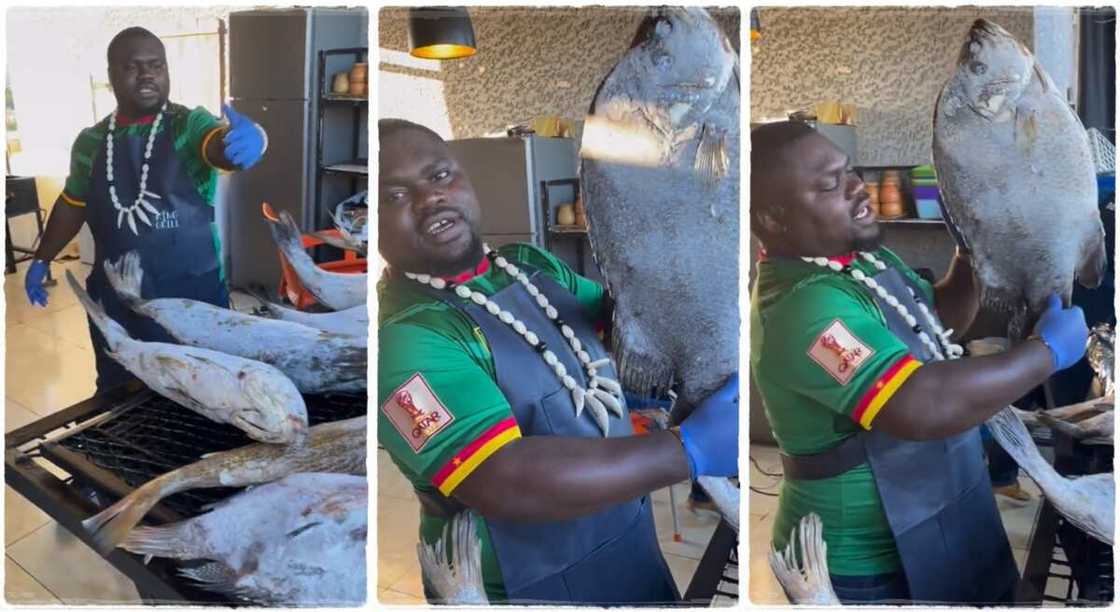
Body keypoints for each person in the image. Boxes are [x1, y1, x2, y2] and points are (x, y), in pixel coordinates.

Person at [377, 118, 739, 605]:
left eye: (440, 176)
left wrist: (670, 248)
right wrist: (686, 450)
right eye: (394, 195)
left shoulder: (529, 267)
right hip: (523, 582)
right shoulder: (409, 339)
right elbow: (500, 479)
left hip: (623, 540)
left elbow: (628, 331)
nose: (430, 198)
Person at [749, 121, 1088, 605]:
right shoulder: (803, 308)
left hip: (943, 512)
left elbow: (937, 316)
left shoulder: (860, 260)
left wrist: (972, 250)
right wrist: (1044, 354)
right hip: (866, 561)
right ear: (775, 218)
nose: (857, 188)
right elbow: (918, 404)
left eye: (851, 172)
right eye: (829, 184)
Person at [24, 27, 267, 391]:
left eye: (157, 65)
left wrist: (253, 140)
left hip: (193, 302)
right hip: (117, 305)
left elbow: (216, 143)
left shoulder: (188, 124)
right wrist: (42, 258)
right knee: (121, 397)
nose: (148, 74)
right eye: (133, 67)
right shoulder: (90, 142)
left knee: (204, 395)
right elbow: (72, 204)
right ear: (111, 77)